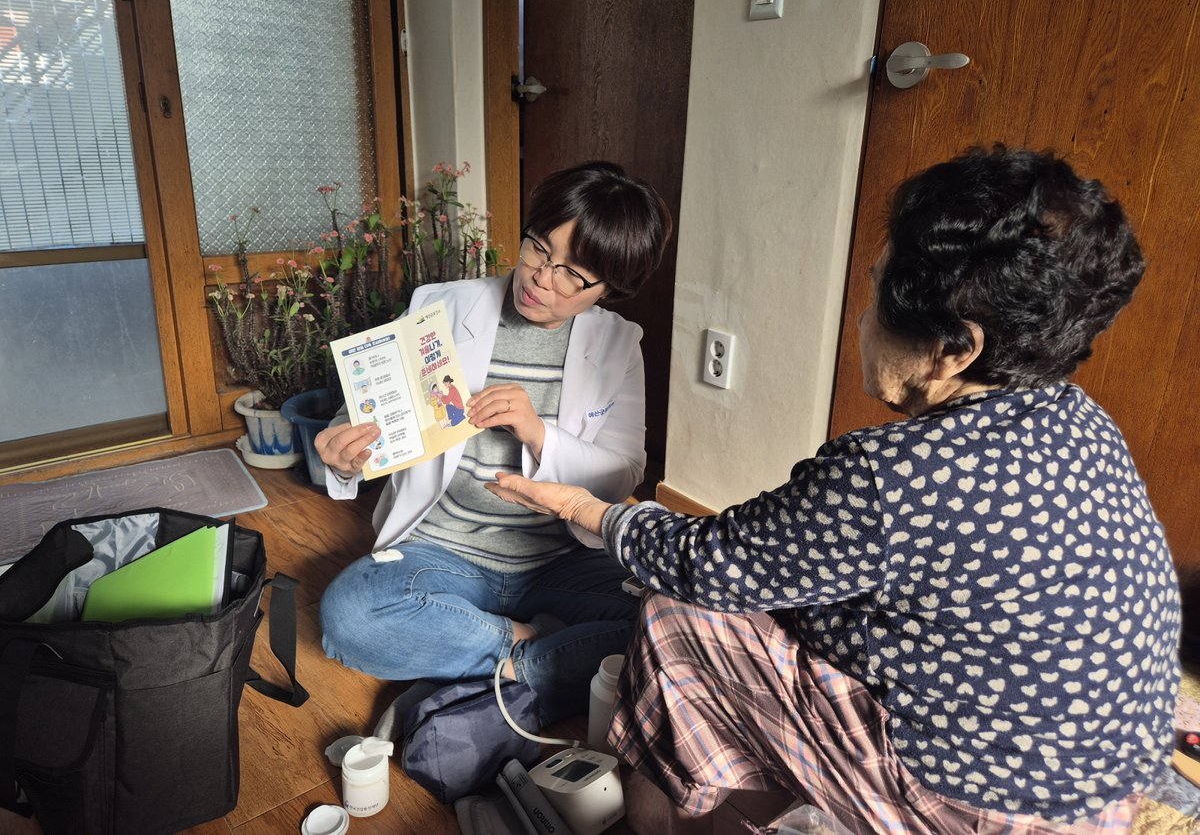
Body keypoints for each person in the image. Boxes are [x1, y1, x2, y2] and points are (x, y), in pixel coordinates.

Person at [487, 146, 1180, 833]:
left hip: (989, 808)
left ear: (954, 351)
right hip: (1105, 788)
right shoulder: (1080, 417)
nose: (861, 319)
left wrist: (585, 507)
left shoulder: (897, 474)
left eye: (876, 296)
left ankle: (654, 821)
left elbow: (707, 561)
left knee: (679, 610)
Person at [316, 160, 671, 727]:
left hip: (559, 560)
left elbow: (623, 472)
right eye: (538, 248)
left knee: (672, 617)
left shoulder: (619, 345)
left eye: (572, 274)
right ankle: (532, 652)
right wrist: (343, 458)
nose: (540, 278)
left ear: (610, 288)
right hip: (444, 551)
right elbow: (361, 419)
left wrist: (538, 433)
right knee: (350, 615)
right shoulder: (440, 308)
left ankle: (483, 662)